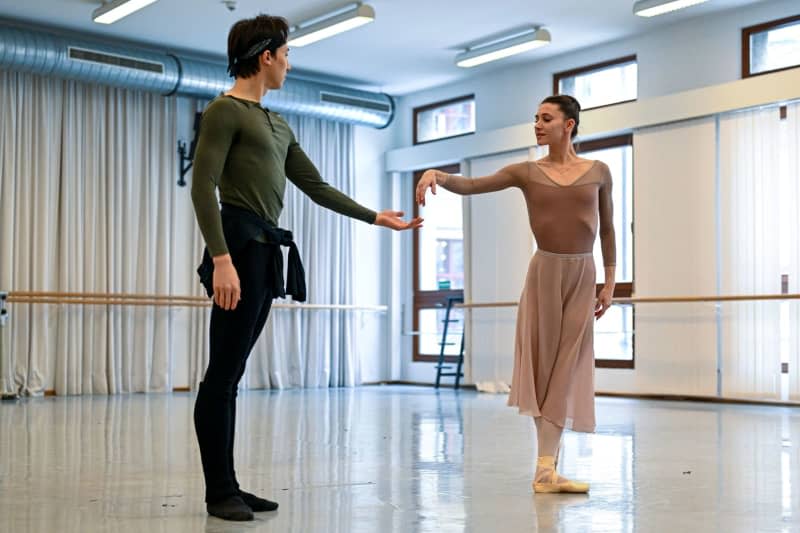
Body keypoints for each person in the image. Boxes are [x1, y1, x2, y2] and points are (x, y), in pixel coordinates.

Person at [191, 14, 422, 521]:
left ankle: (229, 485)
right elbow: (202, 186)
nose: (290, 64)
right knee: (222, 375)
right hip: (238, 245)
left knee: (233, 374)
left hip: (265, 250)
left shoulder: (277, 122)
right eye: (287, 54)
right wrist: (222, 260)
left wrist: (375, 217)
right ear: (266, 55)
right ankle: (219, 492)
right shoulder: (224, 112)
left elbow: (314, 187)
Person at [416, 94, 615, 494]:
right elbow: (473, 185)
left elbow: (608, 228)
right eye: (536, 118)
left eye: (546, 119)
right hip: (544, 272)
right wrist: (437, 173)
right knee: (544, 368)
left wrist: (609, 282)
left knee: (567, 366)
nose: (538, 125)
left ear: (569, 125)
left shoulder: (599, 171)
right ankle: (546, 469)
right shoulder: (527, 172)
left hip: (582, 273)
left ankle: (546, 470)